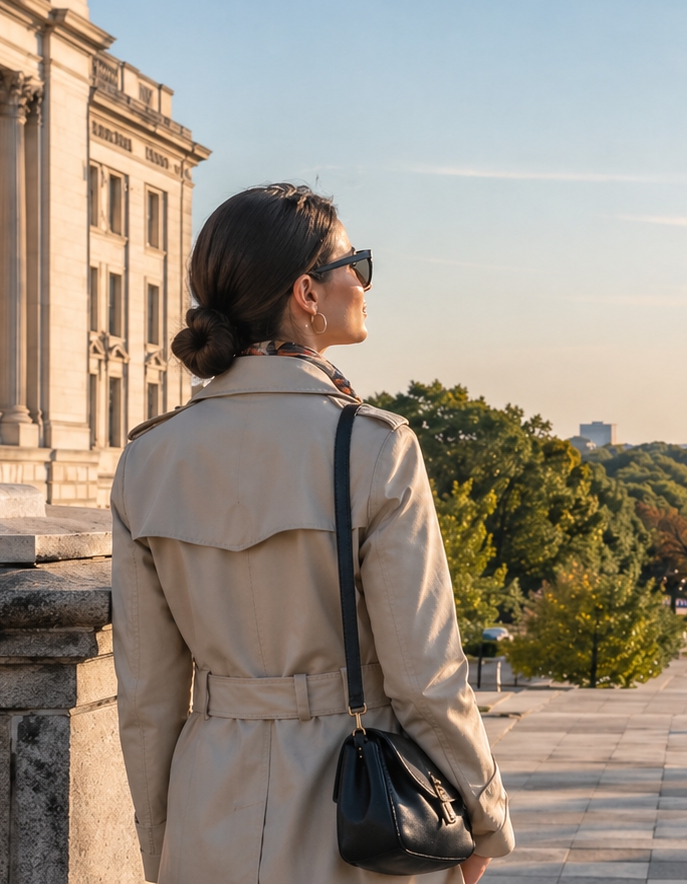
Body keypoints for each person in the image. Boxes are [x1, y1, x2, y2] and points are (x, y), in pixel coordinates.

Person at [112, 184, 511, 884]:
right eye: (354, 261)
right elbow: (426, 674)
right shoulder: (373, 446)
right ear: (307, 291)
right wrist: (483, 812)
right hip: (355, 806)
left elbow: (145, 699)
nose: (363, 279)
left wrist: (161, 842)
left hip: (208, 807)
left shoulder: (150, 457)